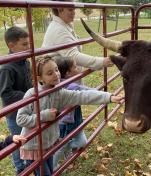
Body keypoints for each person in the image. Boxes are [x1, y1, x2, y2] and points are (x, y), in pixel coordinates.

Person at [16, 55, 123, 175]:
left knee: (50, 172)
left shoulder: (60, 93)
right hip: (34, 146)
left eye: (56, 70)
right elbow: (20, 119)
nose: (56, 74)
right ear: (39, 78)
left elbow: (82, 96)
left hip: (49, 144)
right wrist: (44, 116)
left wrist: (109, 97)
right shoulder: (31, 94)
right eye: (50, 73)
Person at [42, 0, 113, 72]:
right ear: (60, 9)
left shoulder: (64, 25)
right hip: (61, 79)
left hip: (65, 76)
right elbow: (73, 56)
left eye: (74, 9)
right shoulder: (58, 29)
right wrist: (102, 61)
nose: (74, 12)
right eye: (70, 10)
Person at [0, 26, 32, 174]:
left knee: (29, 138)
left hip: (28, 110)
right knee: (17, 141)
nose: (29, 47)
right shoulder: (6, 67)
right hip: (14, 115)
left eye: (29, 43)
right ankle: (20, 169)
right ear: (11, 46)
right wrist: (30, 94)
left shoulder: (25, 62)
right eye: (24, 44)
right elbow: (6, 94)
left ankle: (30, 163)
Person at [53, 56, 93, 169]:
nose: (78, 68)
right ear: (68, 73)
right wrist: (99, 92)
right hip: (64, 123)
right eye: (75, 67)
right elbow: (86, 91)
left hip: (76, 120)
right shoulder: (72, 86)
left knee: (82, 142)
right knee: (60, 147)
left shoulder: (61, 84)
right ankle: (53, 167)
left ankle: (67, 149)